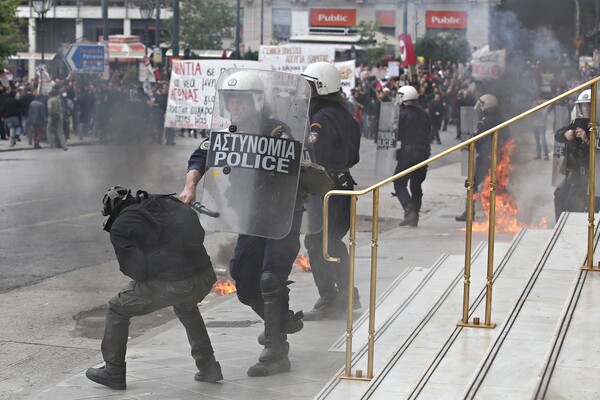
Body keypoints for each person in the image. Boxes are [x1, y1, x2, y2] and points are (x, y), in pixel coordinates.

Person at [179, 70, 304, 377]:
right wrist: (190, 185)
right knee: (245, 281)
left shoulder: (277, 132)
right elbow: (200, 156)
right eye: (230, 99)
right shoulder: (230, 133)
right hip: (252, 217)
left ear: (257, 101)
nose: (235, 105)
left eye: (241, 99)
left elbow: (291, 165)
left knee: (271, 278)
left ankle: (276, 350)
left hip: (282, 217)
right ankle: (281, 321)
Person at [86, 186, 222, 390]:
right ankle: (209, 366)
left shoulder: (121, 226)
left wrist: (160, 270)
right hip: (205, 276)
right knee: (186, 307)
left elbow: (136, 270)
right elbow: (198, 233)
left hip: (177, 283)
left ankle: (113, 372)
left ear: (111, 209)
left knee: (117, 308)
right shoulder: (162, 203)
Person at [300, 61, 362, 321]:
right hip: (341, 185)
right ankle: (348, 295)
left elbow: (318, 154)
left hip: (327, 187)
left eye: (309, 86)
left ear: (320, 86)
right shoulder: (343, 112)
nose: (305, 91)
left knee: (318, 242)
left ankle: (331, 298)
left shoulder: (322, 118)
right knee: (332, 241)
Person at [455, 94, 509, 221]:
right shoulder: (502, 119)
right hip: (500, 157)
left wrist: (469, 144)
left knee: (471, 183)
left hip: (487, 158)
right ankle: (508, 212)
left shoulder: (485, 121)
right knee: (499, 185)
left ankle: (469, 212)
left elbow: (478, 139)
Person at [392, 85, 432, 227]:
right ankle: (415, 215)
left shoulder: (403, 115)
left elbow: (397, 135)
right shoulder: (425, 114)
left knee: (399, 182)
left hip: (408, 154)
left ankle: (409, 211)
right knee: (416, 184)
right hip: (424, 153)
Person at [553, 89, 595, 220]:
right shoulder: (578, 122)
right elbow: (558, 134)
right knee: (559, 196)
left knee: (574, 202)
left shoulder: (597, 125)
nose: (587, 108)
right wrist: (566, 134)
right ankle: (559, 226)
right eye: (584, 105)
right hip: (572, 170)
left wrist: (587, 140)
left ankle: (572, 230)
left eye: (589, 105)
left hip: (589, 174)